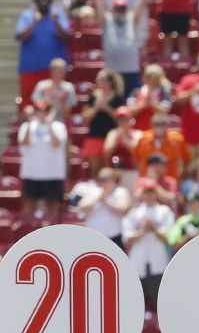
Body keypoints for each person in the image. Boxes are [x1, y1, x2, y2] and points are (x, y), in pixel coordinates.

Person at [85, 0, 146, 95]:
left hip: (131, 71)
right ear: (113, 9)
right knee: (114, 104)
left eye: (122, 8)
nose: (120, 11)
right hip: (112, 73)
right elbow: (97, 2)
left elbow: (142, 3)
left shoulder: (131, 19)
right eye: (118, 9)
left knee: (132, 103)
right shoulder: (107, 20)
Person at [122, 179, 174, 309]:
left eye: (152, 192)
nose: (149, 195)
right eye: (147, 192)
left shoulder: (164, 211)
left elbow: (169, 238)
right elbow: (127, 238)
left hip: (158, 258)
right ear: (142, 194)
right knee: (137, 299)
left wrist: (154, 229)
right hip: (138, 259)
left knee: (159, 298)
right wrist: (143, 230)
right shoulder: (134, 213)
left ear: (156, 193)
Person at [15, 0, 70, 108]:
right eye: (40, 0)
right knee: (28, 104)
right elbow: (20, 36)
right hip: (31, 68)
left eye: (46, 0)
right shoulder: (27, 16)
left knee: (54, 105)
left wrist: (55, 22)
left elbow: (66, 37)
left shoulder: (58, 15)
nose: (43, 3)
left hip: (53, 71)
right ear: (36, 2)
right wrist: (34, 22)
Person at [17, 100, 69, 216]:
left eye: (44, 111)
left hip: (52, 174)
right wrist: (30, 122)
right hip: (31, 174)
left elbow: (56, 143)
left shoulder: (58, 127)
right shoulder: (26, 127)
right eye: (38, 111)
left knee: (52, 209)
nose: (41, 114)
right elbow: (24, 142)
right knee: (29, 208)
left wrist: (49, 123)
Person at [82, 70, 127, 177]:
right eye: (98, 80)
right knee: (95, 171)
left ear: (110, 82)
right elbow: (85, 117)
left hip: (111, 137)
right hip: (94, 136)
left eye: (102, 80)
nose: (99, 82)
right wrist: (97, 107)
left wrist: (106, 108)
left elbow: (121, 119)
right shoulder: (93, 97)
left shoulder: (118, 99)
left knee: (110, 169)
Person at [78, 168, 133, 247]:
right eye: (101, 180)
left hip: (115, 237)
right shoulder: (94, 191)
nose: (103, 183)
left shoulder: (121, 191)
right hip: (94, 237)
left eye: (105, 180)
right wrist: (97, 200)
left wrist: (106, 201)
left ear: (113, 180)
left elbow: (123, 209)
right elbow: (82, 206)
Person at [134, 114, 191, 180]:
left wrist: (180, 174)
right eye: (156, 124)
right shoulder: (143, 139)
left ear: (167, 125)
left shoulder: (177, 139)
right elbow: (136, 158)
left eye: (162, 124)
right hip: (148, 181)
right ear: (151, 125)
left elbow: (186, 159)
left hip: (170, 181)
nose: (159, 126)